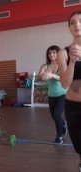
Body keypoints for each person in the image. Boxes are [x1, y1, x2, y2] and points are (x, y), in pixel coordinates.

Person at [57, 11, 81, 172]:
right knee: (80, 145)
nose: (77, 25)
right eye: (72, 22)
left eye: (80, 21)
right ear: (69, 28)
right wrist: (72, 62)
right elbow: (65, 83)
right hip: (73, 106)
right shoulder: (63, 53)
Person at [37, 45, 67, 143]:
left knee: (57, 115)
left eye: (54, 52)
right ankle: (63, 124)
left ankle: (59, 137)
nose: (51, 54)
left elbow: (64, 78)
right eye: (49, 53)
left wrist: (52, 75)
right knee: (54, 117)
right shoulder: (44, 66)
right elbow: (39, 78)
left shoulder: (62, 65)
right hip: (51, 95)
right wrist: (42, 77)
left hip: (63, 94)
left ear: (58, 53)